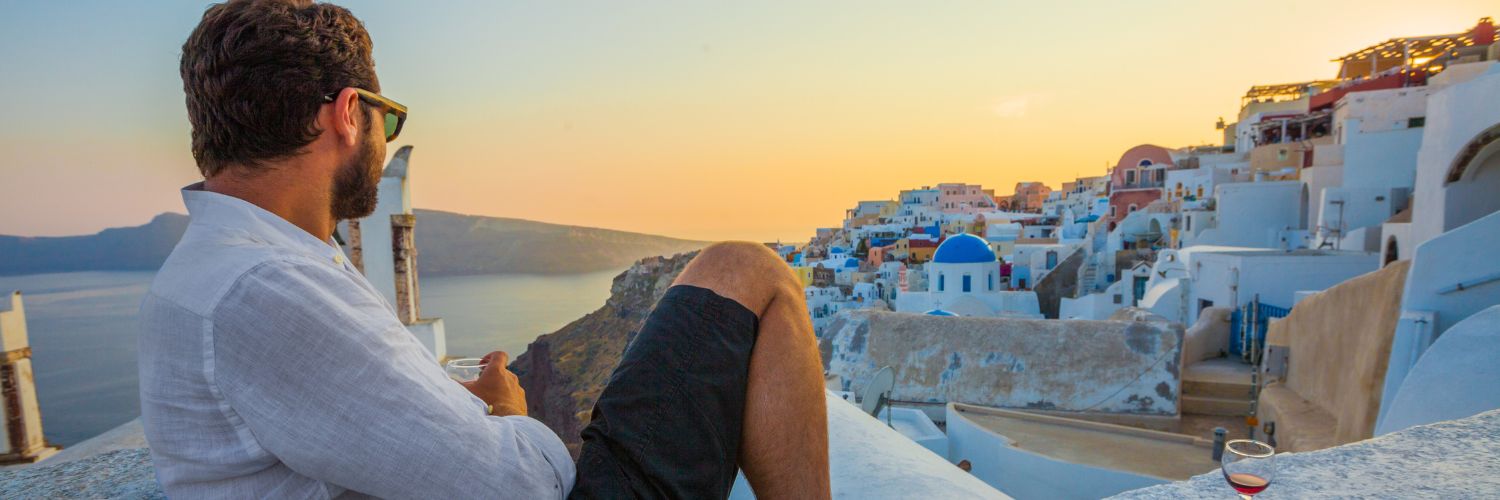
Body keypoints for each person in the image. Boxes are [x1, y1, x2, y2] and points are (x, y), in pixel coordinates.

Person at [138, 1, 830, 498]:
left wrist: (450, 410)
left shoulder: (229, 267)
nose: (384, 142)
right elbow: (525, 486)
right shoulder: (263, 288)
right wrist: (506, 412)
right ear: (348, 114)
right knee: (747, 269)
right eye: (387, 119)